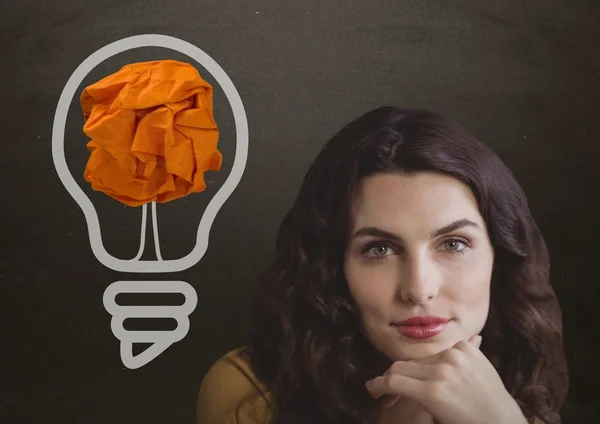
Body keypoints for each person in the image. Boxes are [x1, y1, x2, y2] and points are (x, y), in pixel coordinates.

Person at [196, 106, 569, 424]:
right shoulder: (251, 392)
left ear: (497, 257)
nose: (418, 289)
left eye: (454, 244)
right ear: (333, 267)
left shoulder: (525, 378)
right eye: (379, 250)